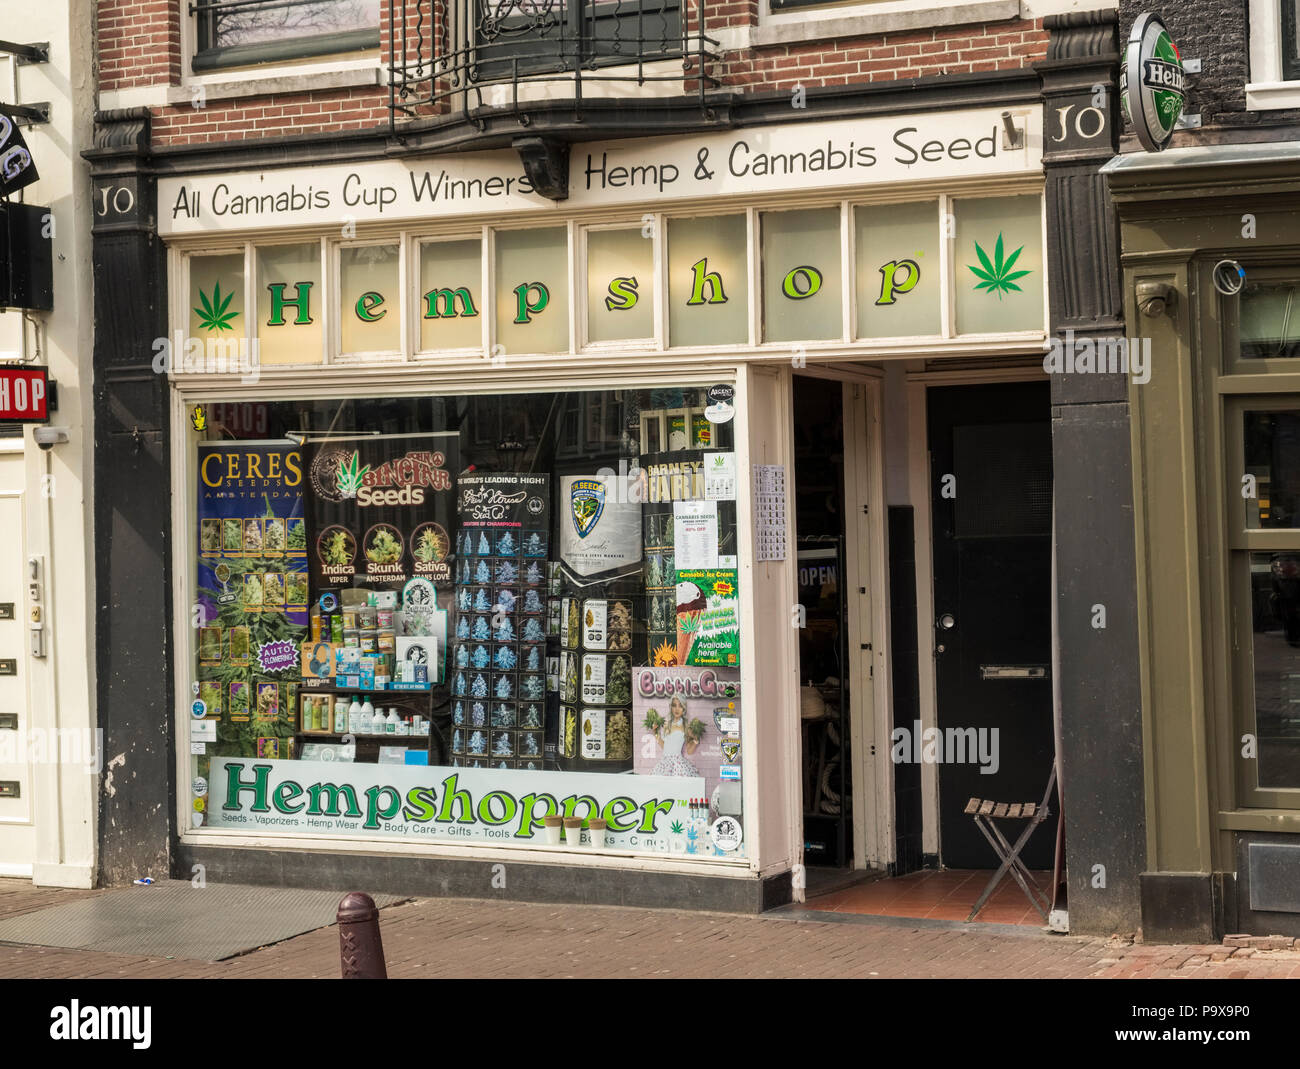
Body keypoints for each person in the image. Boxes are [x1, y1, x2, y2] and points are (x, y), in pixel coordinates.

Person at [652, 695, 701, 777]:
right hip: (664, 763)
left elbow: (689, 751)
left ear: (684, 709)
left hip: (677, 764)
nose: (677, 709)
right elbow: (664, 746)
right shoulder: (666, 724)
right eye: (674, 705)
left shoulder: (686, 727)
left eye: (680, 706)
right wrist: (655, 731)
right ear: (671, 707)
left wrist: (695, 739)